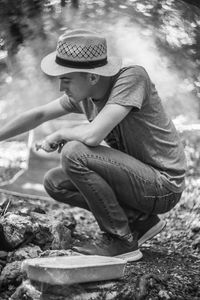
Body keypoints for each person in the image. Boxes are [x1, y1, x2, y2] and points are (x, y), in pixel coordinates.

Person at [0, 29, 187, 262]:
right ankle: (139, 220)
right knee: (55, 182)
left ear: (92, 77)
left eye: (66, 80)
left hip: (163, 185)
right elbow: (38, 115)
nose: (61, 88)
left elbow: (92, 136)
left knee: (73, 153)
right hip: (136, 180)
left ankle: (121, 240)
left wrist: (60, 134)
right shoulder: (85, 95)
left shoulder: (132, 78)